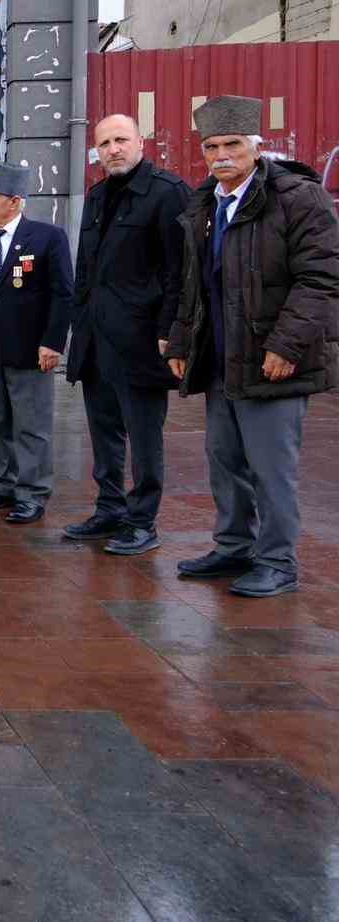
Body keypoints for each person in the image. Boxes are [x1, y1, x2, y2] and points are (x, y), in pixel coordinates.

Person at [164, 95, 339, 598]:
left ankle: (278, 561)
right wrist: (181, 340)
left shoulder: (298, 198)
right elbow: (193, 285)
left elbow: (321, 280)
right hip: (221, 357)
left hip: (274, 362)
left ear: (256, 147)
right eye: (212, 146)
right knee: (225, 460)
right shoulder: (206, 204)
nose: (221, 155)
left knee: (271, 467)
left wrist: (285, 346)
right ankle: (234, 546)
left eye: (232, 144)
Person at [61, 115, 191, 555]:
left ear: (141, 142)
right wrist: (79, 326)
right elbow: (86, 273)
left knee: (144, 436)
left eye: (121, 140)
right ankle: (109, 509)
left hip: (141, 341)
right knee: (104, 431)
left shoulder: (167, 193)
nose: (113, 149)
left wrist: (169, 332)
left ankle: (142, 521)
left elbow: (180, 272)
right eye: (105, 142)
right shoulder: (97, 197)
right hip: (96, 341)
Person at [0, 163, 74, 525]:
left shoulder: (47, 237)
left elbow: (62, 294)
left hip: (30, 351)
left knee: (31, 426)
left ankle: (32, 492)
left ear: (15, 201)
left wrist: (52, 342)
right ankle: (3, 484)